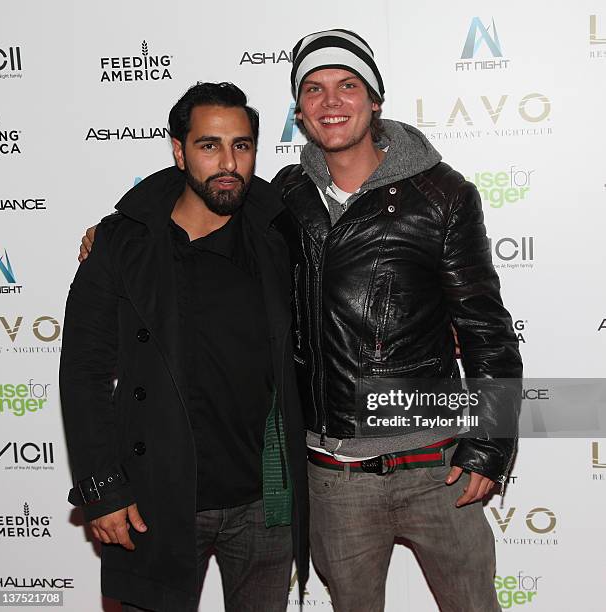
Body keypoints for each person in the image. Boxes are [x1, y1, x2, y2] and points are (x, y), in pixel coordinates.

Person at [78, 29, 522, 612]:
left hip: (436, 467)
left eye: (347, 86)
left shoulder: (443, 195)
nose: (331, 102)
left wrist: (489, 447)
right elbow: (204, 182)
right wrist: (120, 231)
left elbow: (488, 332)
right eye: (314, 89)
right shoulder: (286, 198)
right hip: (333, 476)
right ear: (300, 111)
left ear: (375, 100)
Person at [61, 82, 308, 612]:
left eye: (241, 145)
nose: (228, 162)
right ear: (179, 150)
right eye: (209, 145)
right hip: (158, 498)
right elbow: (84, 371)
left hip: (266, 501)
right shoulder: (122, 245)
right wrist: (102, 487)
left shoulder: (281, 236)